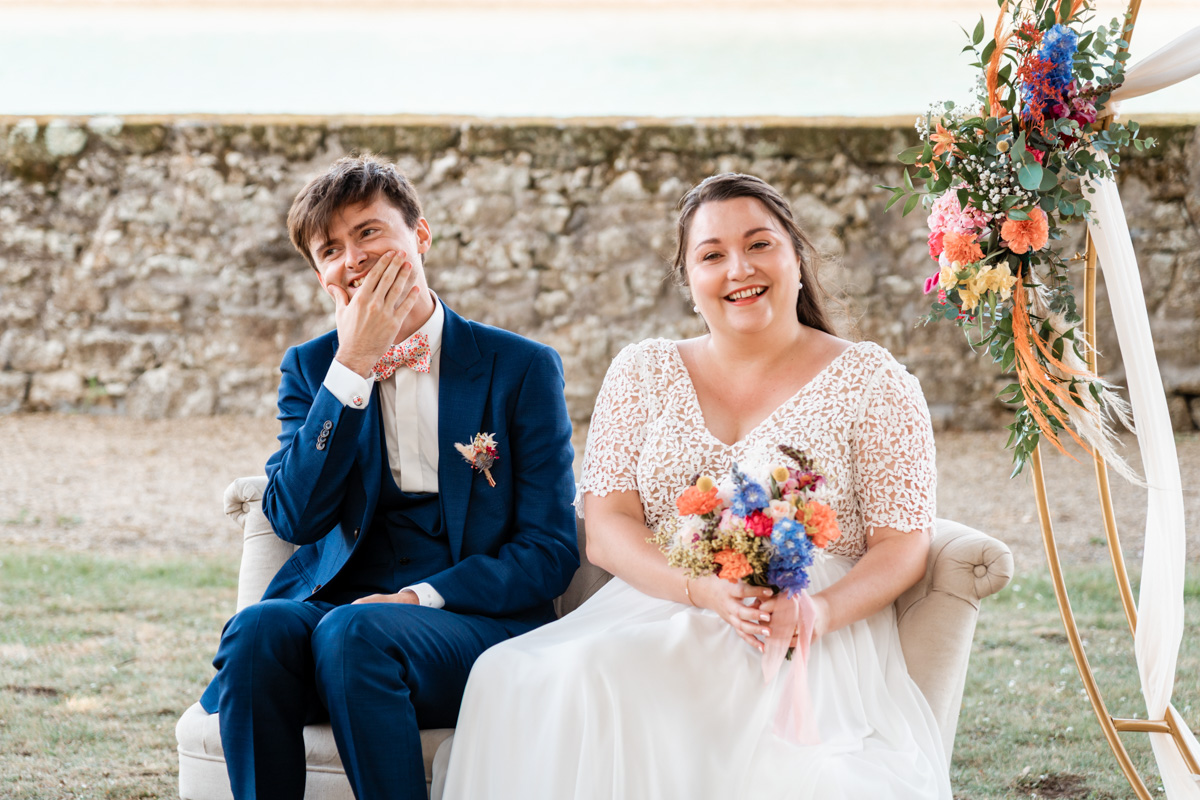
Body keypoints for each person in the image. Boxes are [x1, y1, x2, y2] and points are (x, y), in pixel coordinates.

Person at [441, 173, 952, 799]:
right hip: (665, 599)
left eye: (760, 244)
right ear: (690, 281)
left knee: (611, 676)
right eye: (712, 255)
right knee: (508, 673)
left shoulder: (873, 380)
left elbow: (902, 545)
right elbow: (606, 529)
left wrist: (815, 614)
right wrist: (701, 589)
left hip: (807, 620)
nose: (739, 268)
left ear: (796, 257)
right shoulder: (642, 371)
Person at [196, 154, 579, 800]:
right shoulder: (311, 368)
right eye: (331, 249)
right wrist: (351, 368)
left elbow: (550, 551)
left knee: (354, 632)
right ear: (321, 276)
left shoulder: (520, 368)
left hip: (473, 622)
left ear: (420, 236)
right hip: (339, 611)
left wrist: (417, 600)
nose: (354, 259)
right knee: (258, 631)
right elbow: (293, 516)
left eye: (369, 232)